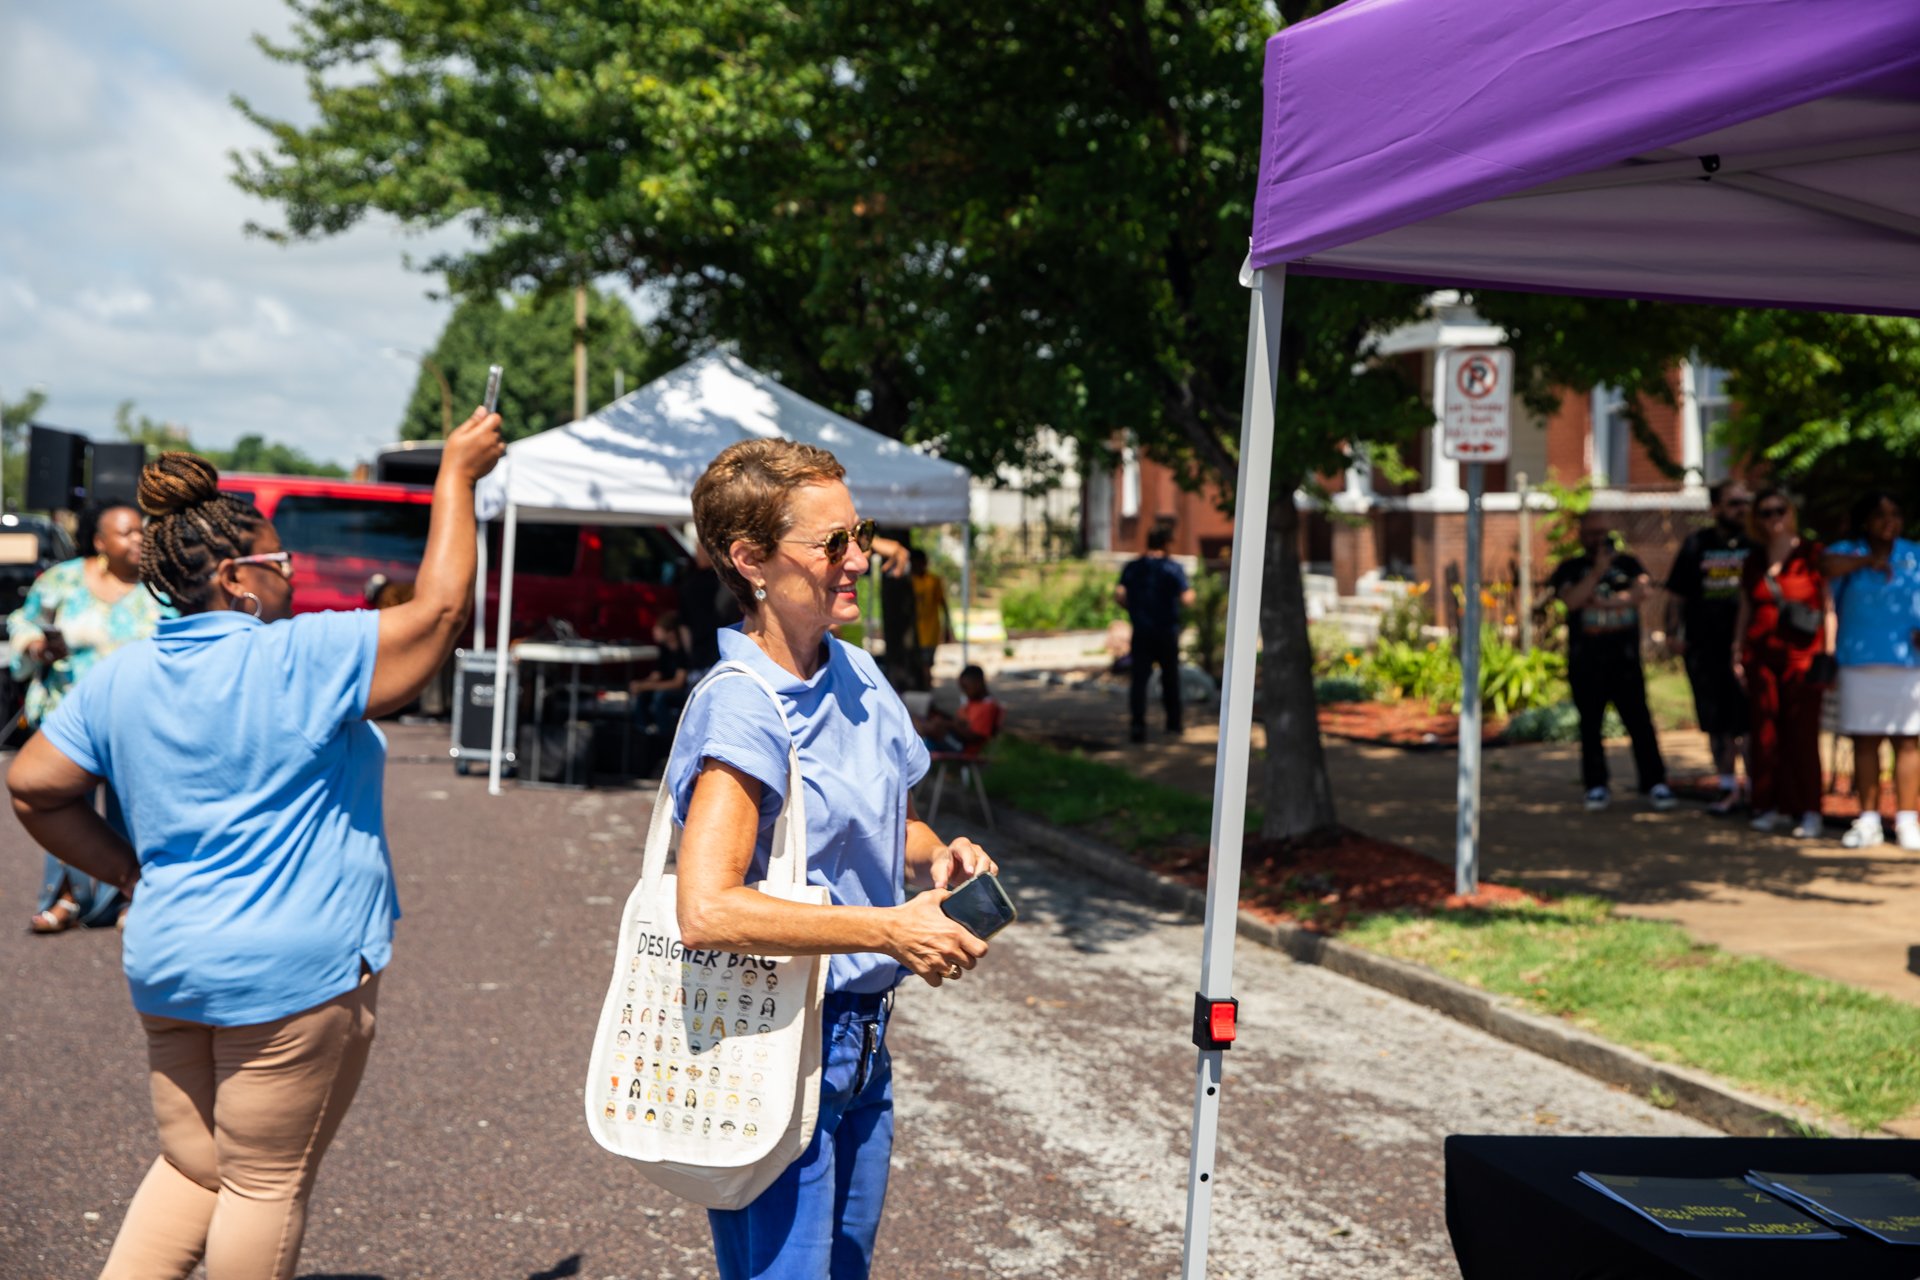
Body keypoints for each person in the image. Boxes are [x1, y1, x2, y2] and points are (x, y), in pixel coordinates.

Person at [6, 406, 504, 1280]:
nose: (293, 578)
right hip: (291, 972)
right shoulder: (299, 656)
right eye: (283, 564)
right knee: (264, 1184)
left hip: (169, 959)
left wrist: (126, 870)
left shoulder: (119, 678)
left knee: (195, 1169)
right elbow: (441, 613)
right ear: (237, 576)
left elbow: (33, 784)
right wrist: (454, 478)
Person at [668, 438, 996, 1279]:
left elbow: (894, 825)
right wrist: (887, 931)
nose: (859, 560)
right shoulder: (742, 708)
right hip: (773, 1036)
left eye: (862, 534)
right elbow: (707, 909)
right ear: (750, 560)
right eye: (832, 545)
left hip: (861, 1043)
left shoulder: (856, 672)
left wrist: (941, 861)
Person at [7, 502, 169, 933]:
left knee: (133, 815)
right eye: (126, 532)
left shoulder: (158, 587)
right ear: (100, 541)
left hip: (137, 722)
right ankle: (64, 899)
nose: (137, 539)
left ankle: (130, 899)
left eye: (141, 531)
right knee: (64, 809)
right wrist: (37, 648)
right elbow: (23, 624)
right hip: (66, 718)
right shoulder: (62, 580)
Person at [1549, 516, 1677, 812]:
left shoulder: (1629, 564)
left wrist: (1606, 602)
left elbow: (1642, 591)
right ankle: (1596, 785)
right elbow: (1571, 600)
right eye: (1591, 534)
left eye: (1602, 533)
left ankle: (1654, 781)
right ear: (1580, 536)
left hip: (1625, 661)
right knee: (1591, 725)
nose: (1597, 539)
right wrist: (1597, 573)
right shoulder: (1571, 568)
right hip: (1586, 661)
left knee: (1639, 721)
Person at [1732, 487, 1831, 839]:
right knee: (1764, 733)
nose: (1774, 518)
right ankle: (1767, 805)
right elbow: (1746, 607)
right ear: (1756, 520)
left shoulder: (1812, 554)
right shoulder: (1754, 560)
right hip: (1760, 655)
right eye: (1765, 512)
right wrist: (1737, 650)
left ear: (1790, 513)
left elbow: (1828, 608)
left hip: (1803, 657)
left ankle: (1809, 810)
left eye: (1779, 510)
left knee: (1802, 735)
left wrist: (1827, 655)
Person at [1823, 492, 1920, 850]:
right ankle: (1868, 820)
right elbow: (1826, 568)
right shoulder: (1848, 551)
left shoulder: (1914, 553)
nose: (1888, 521)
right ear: (1865, 520)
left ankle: (1908, 820)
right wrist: (1866, 561)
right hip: (1859, 660)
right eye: (1880, 515)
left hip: (1908, 662)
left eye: (1895, 514)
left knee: (1908, 741)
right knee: (1865, 741)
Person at [1664, 481, 1754, 813]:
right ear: (1715, 508)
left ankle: (1757, 790)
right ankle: (1727, 787)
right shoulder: (1697, 545)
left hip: (1748, 647)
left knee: (1749, 723)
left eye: (1745, 502)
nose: (1741, 509)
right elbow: (1676, 594)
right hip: (1705, 648)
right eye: (1733, 503)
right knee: (1718, 723)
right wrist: (1672, 632)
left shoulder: (1757, 544)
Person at [1116, 527, 1195, 744]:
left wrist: (1135, 608)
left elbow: (1120, 595)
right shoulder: (1172, 568)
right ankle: (1173, 723)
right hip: (1166, 632)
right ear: (1166, 544)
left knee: (1139, 680)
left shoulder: (1133, 567)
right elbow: (1187, 597)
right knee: (1170, 678)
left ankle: (1138, 725)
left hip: (1142, 631)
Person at [631, 610, 693, 760]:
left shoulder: (681, 652)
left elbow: (678, 683)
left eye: (658, 629)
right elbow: (656, 675)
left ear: (670, 633)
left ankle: (664, 736)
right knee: (643, 696)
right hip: (664, 687)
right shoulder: (663, 650)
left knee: (660, 697)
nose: (654, 632)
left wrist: (648, 686)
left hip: (679, 692)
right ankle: (644, 729)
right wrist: (642, 685)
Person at [908, 549, 952, 691]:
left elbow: (943, 604)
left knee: (926, 667)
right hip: (912, 634)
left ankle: (927, 693)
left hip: (929, 633)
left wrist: (947, 628)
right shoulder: (908, 581)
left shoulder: (933, 581)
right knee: (915, 667)